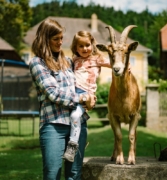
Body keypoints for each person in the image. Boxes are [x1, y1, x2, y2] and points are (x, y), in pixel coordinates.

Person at [29, 19, 96, 180]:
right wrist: (82, 98)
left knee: (74, 174)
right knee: (53, 174)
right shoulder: (37, 63)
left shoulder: (68, 62)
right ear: (45, 40)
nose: (60, 42)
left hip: (77, 124)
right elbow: (53, 93)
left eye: (61, 38)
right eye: (55, 39)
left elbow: (85, 76)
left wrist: (91, 97)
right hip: (53, 124)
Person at [63, 31, 111, 162]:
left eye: (87, 45)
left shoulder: (97, 59)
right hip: (73, 95)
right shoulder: (74, 60)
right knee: (72, 119)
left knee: (74, 116)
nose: (85, 49)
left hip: (86, 96)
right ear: (75, 47)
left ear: (92, 45)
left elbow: (114, 64)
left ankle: (72, 147)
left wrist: (126, 66)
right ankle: (77, 141)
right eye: (81, 46)